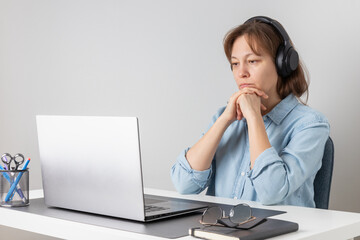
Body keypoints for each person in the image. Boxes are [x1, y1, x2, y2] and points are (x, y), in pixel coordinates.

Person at [170, 16, 330, 208]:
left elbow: (272, 191)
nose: (241, 73)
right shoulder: (224, 117)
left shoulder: (311, 124)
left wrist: (254, 117)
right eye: (235, 64)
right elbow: (184, 185)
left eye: (252, 61)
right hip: (222, 231)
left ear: (283, 64)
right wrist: (224, 121)